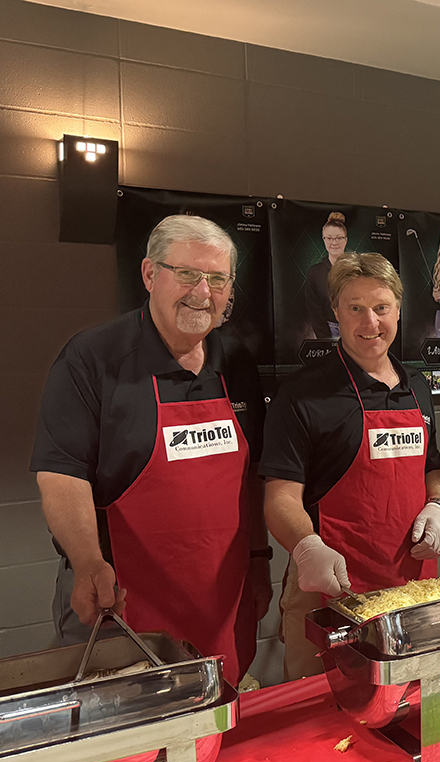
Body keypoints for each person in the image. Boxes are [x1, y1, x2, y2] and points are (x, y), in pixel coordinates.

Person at [31, 215, 271, 685]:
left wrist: (260, 560)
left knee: (217, 739)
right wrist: (86, 562)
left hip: (220, 605)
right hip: (118, 605)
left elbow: (253, 475)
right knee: (125, 746)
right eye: (187, 274)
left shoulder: (237, 362)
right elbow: (62, 476)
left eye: (218, 278)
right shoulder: (93, 358)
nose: (203, 291)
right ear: (148, 274)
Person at [261, 253, 440, 680]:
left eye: (381, 308)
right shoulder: (303, 393)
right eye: (355, 308)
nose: (370, 322)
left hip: (411, 590)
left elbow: (431, 468)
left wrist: (438, 506)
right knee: (322, 720)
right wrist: (306, 547)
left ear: (398, 310)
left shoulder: (417, 387)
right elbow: (280, 497)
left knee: (411, 701)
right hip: (329, 592)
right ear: (336, 313)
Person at [302, 211, 348, 341]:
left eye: (339, 238)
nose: (334, 242)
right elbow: (315, 311)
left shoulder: (356, 269)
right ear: (323, 240)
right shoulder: (315, 273)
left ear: (346, 240)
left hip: (356, 329)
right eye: (329, 238)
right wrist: (326, 340)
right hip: (329, 331)